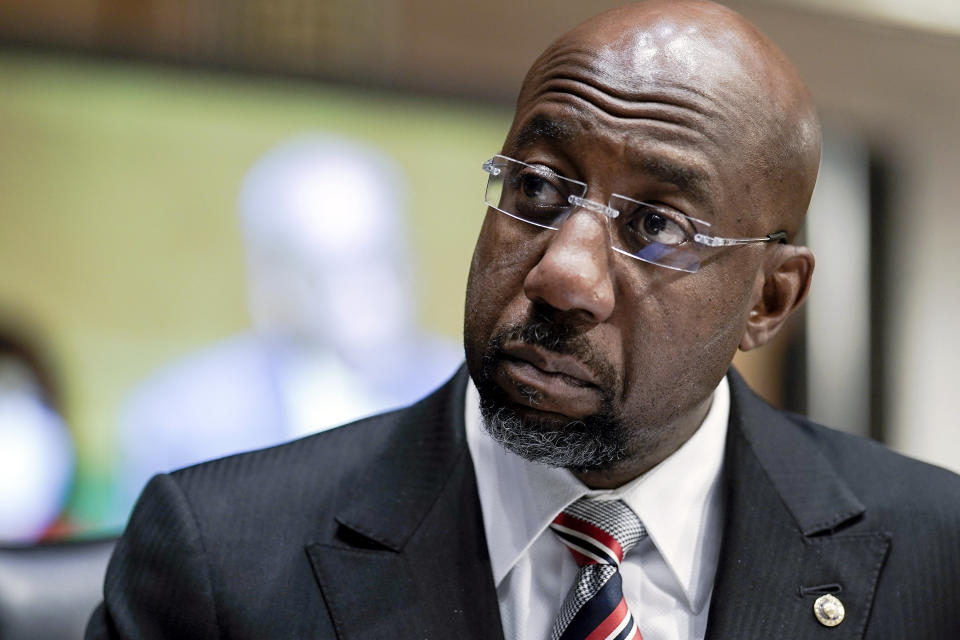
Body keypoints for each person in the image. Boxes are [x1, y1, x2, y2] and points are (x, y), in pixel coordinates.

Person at [87, 1, 960, 638]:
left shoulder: (935, 560)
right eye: (538, 190)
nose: (563, 273)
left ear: (768, 300)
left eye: (657, 227)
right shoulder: (220, 562)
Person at [110, 135, 460, 524]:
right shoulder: (182, 417)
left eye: (386, 259)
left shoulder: (468, 393)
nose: (373, 292)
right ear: (273, 279)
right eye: (332, 270)